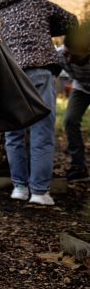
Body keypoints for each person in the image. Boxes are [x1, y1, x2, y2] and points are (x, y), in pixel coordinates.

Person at [0, 0, 78, 205]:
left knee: (14, 133)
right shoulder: (37, 3)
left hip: (10, 76)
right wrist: (46, 28)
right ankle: (39, 192)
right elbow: (72, 21)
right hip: (39, 72)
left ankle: (19, 188)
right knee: (42, 130)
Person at [58, 25, 90, 182]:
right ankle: (79, 167)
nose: (69, 60)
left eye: (75, 56)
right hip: (81, 87)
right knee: (70, 120)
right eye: (67, 54)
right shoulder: (60, 55)